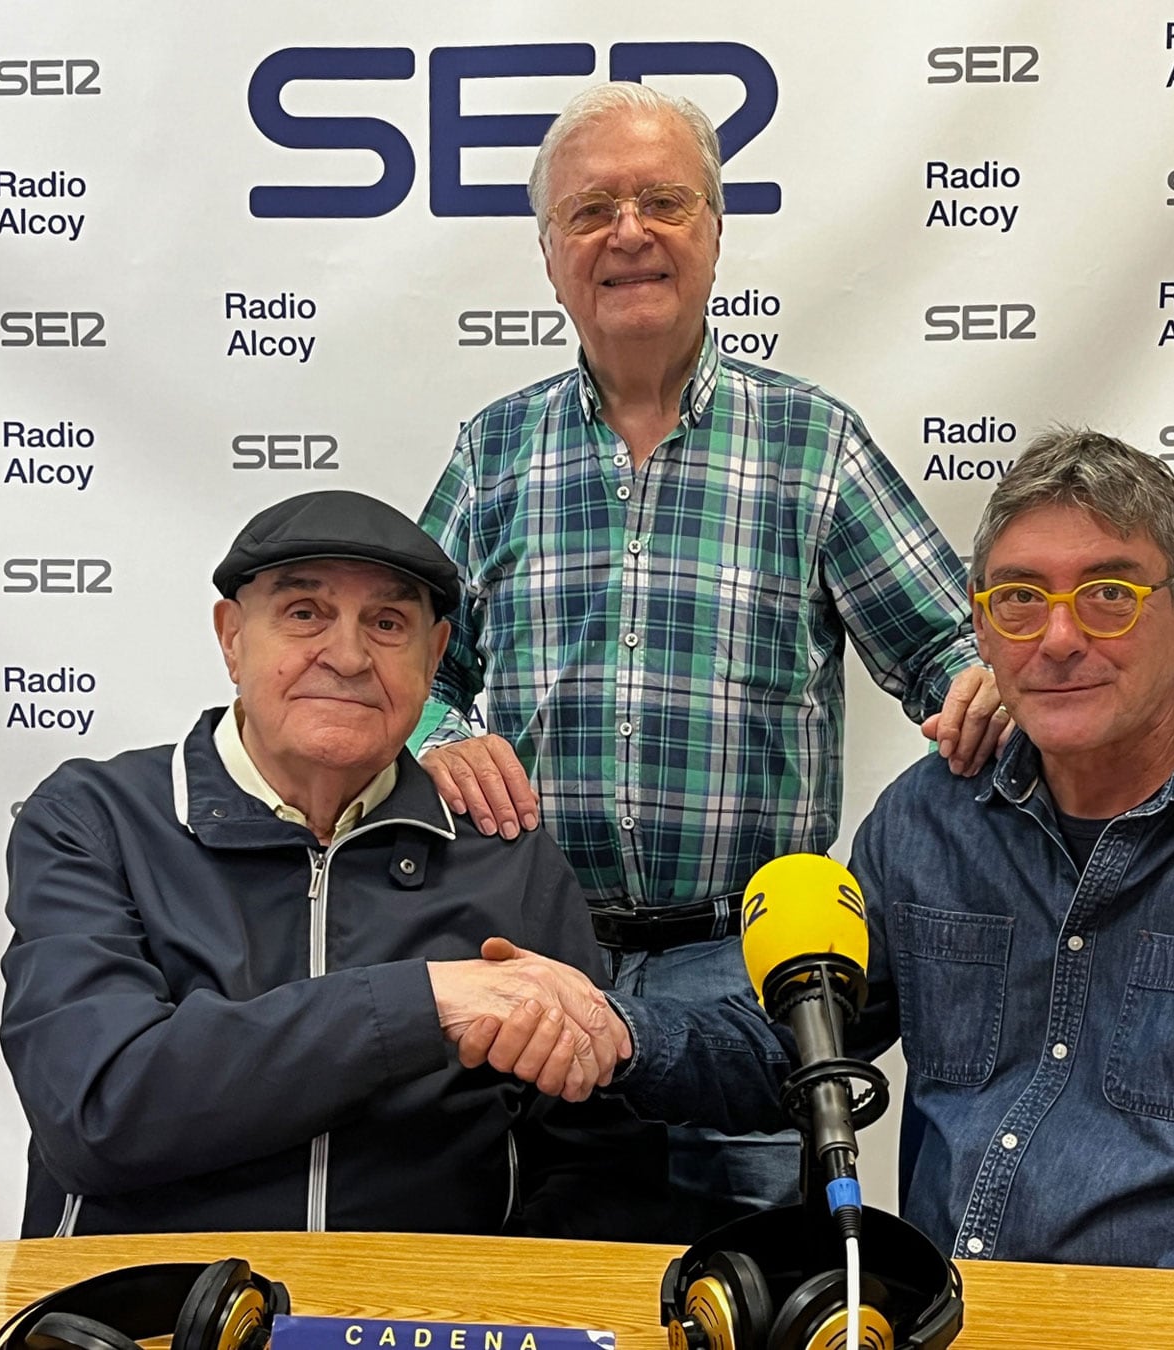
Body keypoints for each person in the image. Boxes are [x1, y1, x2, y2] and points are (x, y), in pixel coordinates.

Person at [470, 429, 1174, 1274]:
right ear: (981, 624)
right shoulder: (930, 820)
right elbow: (787, 1050)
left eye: (1110, 597)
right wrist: (616, 1030)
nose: (1059, 638)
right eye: (1018, 600)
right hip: (941, 1317)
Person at [415, 80, 1003, 1230]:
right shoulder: (493, 453)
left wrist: (980, 689)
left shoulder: (812, 445)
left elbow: (946, 648)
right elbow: (409, 677)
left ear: (714, 234)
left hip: (744, 984)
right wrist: (439, 735)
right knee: (543, 1283)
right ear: (549, 256)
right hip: (538, 963)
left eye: (661, 201)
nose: (626, 233)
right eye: (589, 212)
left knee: (739, 1293)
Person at [0, 489, 664, 1240]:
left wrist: (488, 1310)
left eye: (387, 624)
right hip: (148, 1314)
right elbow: (97, 1110)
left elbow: (604, 1160)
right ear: (231, 638)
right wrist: (427, 1004)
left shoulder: (507, 855)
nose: (347, 657)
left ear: (435, 656)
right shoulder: (98, 818)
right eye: (305, 613)